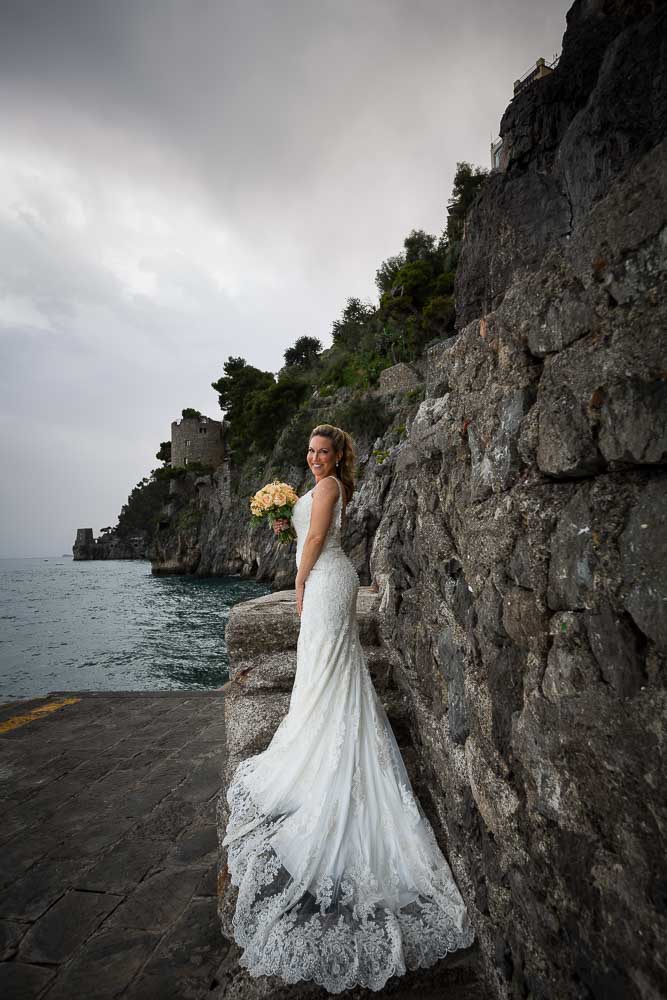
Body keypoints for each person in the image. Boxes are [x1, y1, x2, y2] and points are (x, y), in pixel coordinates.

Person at [219, 423, 475, 993]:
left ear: (338, 456)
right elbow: (302, 530)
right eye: (309, 452)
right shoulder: (320, 485)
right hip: (327, 579)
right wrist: (282, 521)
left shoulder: (332, 487)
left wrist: (298, 579)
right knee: (320, 670)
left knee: (330, 667)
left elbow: (312, 541)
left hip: (329, 580)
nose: (314, 460)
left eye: (323, 452)